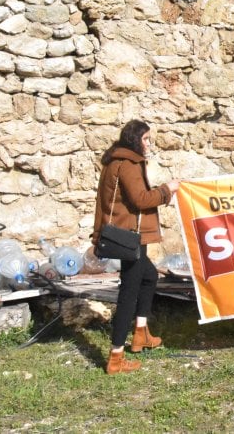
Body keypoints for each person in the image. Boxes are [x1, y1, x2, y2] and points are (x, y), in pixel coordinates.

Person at [92, 120, 180, 375]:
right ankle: (116, 356)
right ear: (134, 140)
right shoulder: (129, 164)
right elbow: (141, 199)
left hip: (127, 234)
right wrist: (167, 190)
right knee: (128, 293)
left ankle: (140, 333)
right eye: (145, 139)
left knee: (150, 276)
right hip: (128, 236)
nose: (148, 144)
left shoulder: (116, 161)